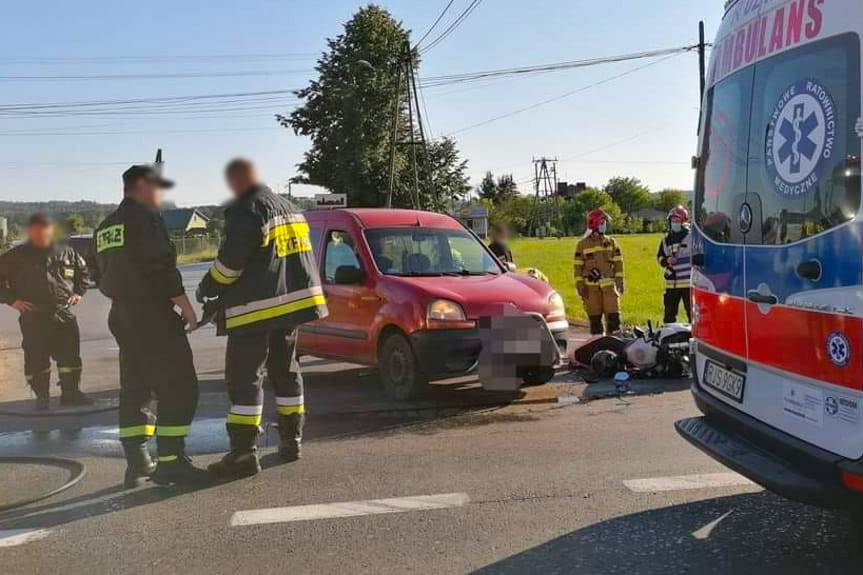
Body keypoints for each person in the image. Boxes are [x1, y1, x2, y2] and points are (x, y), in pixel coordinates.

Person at [198, 158, 328, 479]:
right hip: (291, 306)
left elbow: (230, 265)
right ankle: (292, 441)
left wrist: (207, 286)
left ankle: (243, 454)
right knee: (286, 371)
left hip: (255, 309)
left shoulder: (247, 209)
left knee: (245, 378)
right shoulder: (290, 208)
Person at [95, 165, 204, 488]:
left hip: (122, 316)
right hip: (152, 315)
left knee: (135, 387)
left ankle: (138, 462)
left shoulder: (106, 225)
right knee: (180, 387)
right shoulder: (145, 218)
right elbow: (160, 266)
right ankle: (171, 463)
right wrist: (186, 308)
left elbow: (97, 270)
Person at [0, 213, 92, 410]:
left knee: (70, 357)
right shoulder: (16, 255)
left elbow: (83, 274)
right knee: (36, 358)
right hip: (34, 315)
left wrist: (78, 292)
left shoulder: (67, 252)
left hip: (63, 313)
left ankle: (71, 394)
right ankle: (42, 397)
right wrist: (12, 300)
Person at [573, 209, 624, 335]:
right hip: (591, 291)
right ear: (594, 224)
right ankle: (598, 347)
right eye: (602, 222)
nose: (604, 225)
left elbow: (618, 263)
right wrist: (580, 285)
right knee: (595, 322)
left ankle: (614, 346)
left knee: (614, 320)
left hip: (609, 290)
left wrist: (620, 281)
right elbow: (578, 267)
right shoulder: (582, 245)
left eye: (605, 222)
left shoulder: (611, 242)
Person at [657, 206, 693, 323]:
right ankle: (670, 336)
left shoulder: (691, 237)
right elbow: (660, 257)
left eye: (677, 220)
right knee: (669, 315)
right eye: (672, 220)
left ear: (683, 221)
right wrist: (666, 260)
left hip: (689, 283)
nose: (674, 223)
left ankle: (694, 337)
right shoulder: (666, 240)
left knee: (692, 314)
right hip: (672, 284)